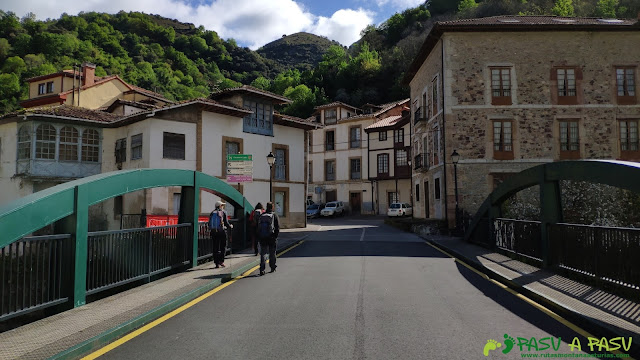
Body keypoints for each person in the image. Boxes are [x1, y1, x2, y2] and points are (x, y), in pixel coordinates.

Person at [257, 202, 280, 276]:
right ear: (272, 207)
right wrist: (275, 236)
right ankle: (272, 267)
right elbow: (277, 227)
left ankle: (262, 269)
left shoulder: (262, 215)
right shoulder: (274, 215)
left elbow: (258, 227)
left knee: (263, 253)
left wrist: (259, 236)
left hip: (263, 237)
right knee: (272, 253)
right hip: (271, 237)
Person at [209, 200, 232, 268]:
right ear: (220, 206)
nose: (223, 206)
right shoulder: (223, 212)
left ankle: (216, 263)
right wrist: (230, 226)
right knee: (223, 246)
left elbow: (209, 223)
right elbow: (226, 222)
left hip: (214, 232)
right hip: (221, 231)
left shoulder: (212, 212)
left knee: (215, 247)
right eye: (222, 205)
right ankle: (221, 261)